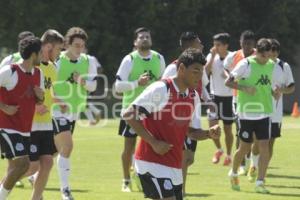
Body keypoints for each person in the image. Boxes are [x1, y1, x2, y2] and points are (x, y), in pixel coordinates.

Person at [123, 48, 220, 200]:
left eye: (201, 72)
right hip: (150, 162)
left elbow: (190, 132)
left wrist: (208, 134)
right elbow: (128, 114)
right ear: (181, 68)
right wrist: (153, 142)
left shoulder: (193, 96)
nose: (200, 77)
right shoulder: (162, 89)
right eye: (196, 71)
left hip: (174, 165)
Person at [115, 27, 165, 192]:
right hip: (131, 110)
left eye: (147, 37)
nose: (145, 39)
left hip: (152, 110)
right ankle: (126, 181)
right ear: (135, 42)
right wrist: (136, 83)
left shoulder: (159, 58)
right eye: (141, 37)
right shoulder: (129, 59)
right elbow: (118, 86)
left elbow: (164, 84)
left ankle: (150, 180)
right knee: (129, 147)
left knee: (152, 145)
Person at [226, 38, 279, 194]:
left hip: (265, 112)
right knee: (244, 148)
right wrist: (244, 88)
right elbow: (228, 83)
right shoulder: (246, 64)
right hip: (246, 113)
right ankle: (234, 173)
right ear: (257, 52)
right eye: (263, 57)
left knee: (264, 147)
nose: (265, 60)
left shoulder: (271, 64)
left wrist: (273, 92)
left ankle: (260, 182)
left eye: (268, 57)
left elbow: (269, 84)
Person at [162, 31, 210, 196]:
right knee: (181, 156)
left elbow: (202, 89)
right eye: (199, 43)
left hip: (193, 117)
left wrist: (209, 102)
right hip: (178, 119)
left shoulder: (199, 67)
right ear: (189, 47)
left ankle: (177, 188)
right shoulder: (173, 67)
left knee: (189, 158)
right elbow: (164, 90)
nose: (202, 46)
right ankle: (179, 191)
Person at [53, 27, 97, 200]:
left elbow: (93, 86)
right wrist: (58, 101)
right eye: (76, 45)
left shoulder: (88, 61)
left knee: (54, 151)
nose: (80, 49)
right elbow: (48, 84)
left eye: (82, 46)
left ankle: (33, 175)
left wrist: (82, 80)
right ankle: (65, 190)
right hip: (57, 111)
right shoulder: (58, 60)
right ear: (67, 45)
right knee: (68, 146)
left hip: (75, 111)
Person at [20, 29, 64, 200]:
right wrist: (34, 106)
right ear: (48, 47)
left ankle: (36, 198)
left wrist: (58, 101)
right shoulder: (29, 65)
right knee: (30, 167)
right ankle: (4, 186)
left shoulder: (53, 68)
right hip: (29, 123)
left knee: (47, 162)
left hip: (45, 123)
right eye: (59, 49)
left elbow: (47, 92)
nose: (59, 53)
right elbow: (21, 90)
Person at [0, 36, 44, 200]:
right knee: (23, 163)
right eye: (40, 53)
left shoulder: (38, 73)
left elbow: (37, 100)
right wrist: (4, 107)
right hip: (6, 126)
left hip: (25, 129)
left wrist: (40, 97)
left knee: (15, 168)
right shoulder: (9, 71)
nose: (42, 56)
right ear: (34, 54)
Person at [224, 30, 256, 174]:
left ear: (253, 44)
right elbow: (226, 69)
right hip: (238, 98)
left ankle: (251, 161)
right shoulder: (234, 56)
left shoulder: (258, 56)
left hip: (256, 99)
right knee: (240, 131)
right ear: (240, 43)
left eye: (249, 44)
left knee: (255, 132)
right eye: (244, 43)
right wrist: (233, 78)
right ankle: (242, 163)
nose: (247, 46)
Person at [205, 33, 234, 166]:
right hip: (214, 96)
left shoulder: (233, 57)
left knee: (228, 130)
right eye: (214, 44)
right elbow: (205, 72)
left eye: (218, 45)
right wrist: (212, 58)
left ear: (226, 45)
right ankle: (219, 150)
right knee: (212, 127)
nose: (215, 47)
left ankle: (228, 155)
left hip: (229, 97)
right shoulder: (211, 56)